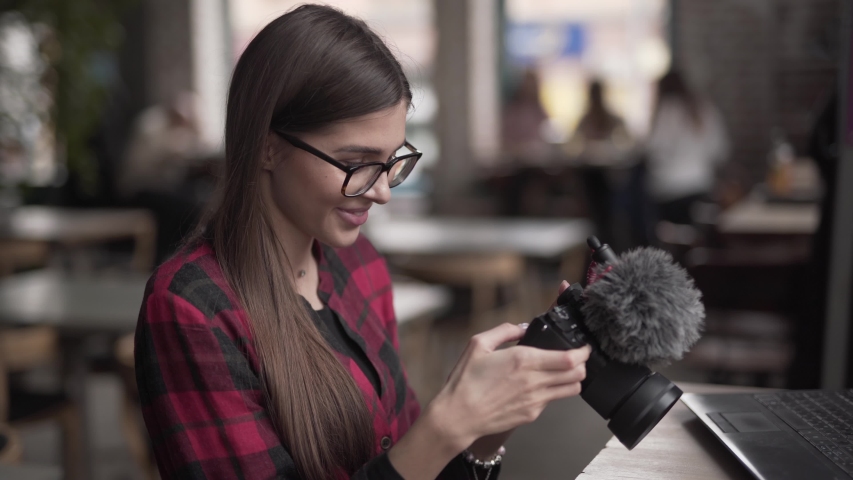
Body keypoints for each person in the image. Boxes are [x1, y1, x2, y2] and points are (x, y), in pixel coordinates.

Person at [134, 6, 590, 480]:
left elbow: (411, 465)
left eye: (392, 161)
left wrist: (484, 430)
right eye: (356, 163)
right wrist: (444, 427)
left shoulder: (359, 263)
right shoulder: (192, 309)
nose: (383, 192)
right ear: (268, 146)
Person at [645, 70, 729, 225]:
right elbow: (719, 151)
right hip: (701, 185)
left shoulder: (666, 111)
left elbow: (655, 151)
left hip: (669, 190)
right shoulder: (704, 108)